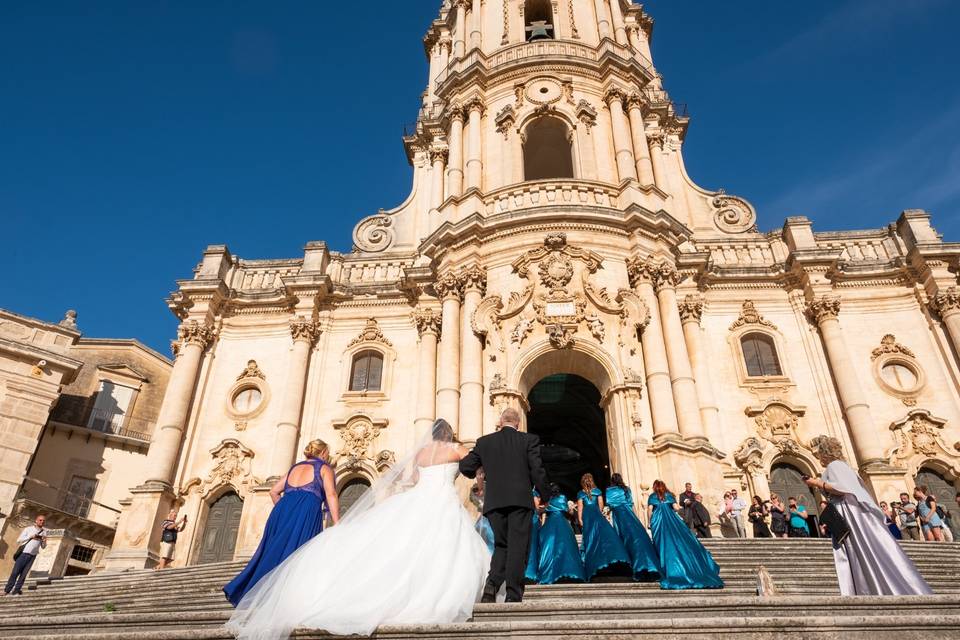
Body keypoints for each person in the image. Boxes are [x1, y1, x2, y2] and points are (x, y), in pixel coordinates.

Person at [226, 419, 490, 639]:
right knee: (443, 548)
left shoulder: (421, 453)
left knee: (405, 548)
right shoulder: (457, 448)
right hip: (443, 500)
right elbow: (473, 469)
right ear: (450, 434)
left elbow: (412, 479)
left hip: (420, 498)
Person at [804, 435, 931, 596]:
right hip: (856, 511)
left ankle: (871, 589)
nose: (818, 457)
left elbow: (840, 488)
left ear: (825, 453)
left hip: (849, 513)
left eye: (819, 453)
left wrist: (815, 483)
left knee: (859, 549)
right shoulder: (844, 466)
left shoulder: (834, 466)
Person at [224, 439, 338, 605]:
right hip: (305, 513)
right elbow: (331, 494)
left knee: (270, 553)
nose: (328, 456)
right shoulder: (324, 468)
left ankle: (253, 593)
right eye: (327, 453)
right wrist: (337, 522)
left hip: (281, 512)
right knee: (300, 554)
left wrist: (286, 510)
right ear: (322, 453)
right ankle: (287, 599)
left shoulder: (294, 468)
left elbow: (273, 491)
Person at [459, 408, 551, 603]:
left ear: (500, 422)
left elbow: (465, 467)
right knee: (518, 546)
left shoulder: (484, 442)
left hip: (495, 504)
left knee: (502, 545)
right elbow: (537, 469)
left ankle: (491, 587)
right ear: (518, 424)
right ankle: (513, 595)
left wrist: (483, 465)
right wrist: (545, 495)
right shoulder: (529, 440)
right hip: (519, 501)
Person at [647, 480, 723, 590]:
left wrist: (649, 522)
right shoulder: (669, 495)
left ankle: (666, 568)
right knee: (681, 540)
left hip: (659, 521)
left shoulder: (652, 496)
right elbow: (677, 508)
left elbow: (649, 510)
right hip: (672, 520)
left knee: (663, 544)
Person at [605, 473, 659, 580]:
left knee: (624, 538)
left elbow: (610, 503)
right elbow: (631, 503)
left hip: (619, 516)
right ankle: (647, 564)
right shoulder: (626, 489)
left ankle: (631, 564)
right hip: (630, 515)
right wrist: (636, 518)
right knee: (637, 537)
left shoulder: (609, 490)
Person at [577, 472, 631, 581]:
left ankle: (592, 562)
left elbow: (580, 508)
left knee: (589, 538)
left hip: (587, 516)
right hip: (596, 515)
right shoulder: (598, 492)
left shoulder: (580, 494)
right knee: (602, 537)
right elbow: (601, 506)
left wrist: (580, 520)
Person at [537, 483, 586, 584]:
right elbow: (566, 510)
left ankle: (549, 572)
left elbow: (544, 510)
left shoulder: (548, 499)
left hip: (550, 523)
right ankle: (569, 571)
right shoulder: (562, 497)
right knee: (566, 546)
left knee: (550, 547)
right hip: (562, 522)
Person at [4, 515, 47, 596]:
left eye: (43, 521)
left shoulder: (44, 532)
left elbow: (43, 547)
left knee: (23, 575)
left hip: (33, 555)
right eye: (40, 520)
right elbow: (19, 540)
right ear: (36, 520)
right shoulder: (29, 529)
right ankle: (7, 590)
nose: (42, 522)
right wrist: (31, 536)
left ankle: (16, 591)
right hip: (23, 553)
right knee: (15, 573)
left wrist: (44, 541)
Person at [523, 489, 542, 583]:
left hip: (525, 520)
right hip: (533, 520)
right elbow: (537, 508)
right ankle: (530, 573)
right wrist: (547, 507)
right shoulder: (533, 493)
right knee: (533, 547)